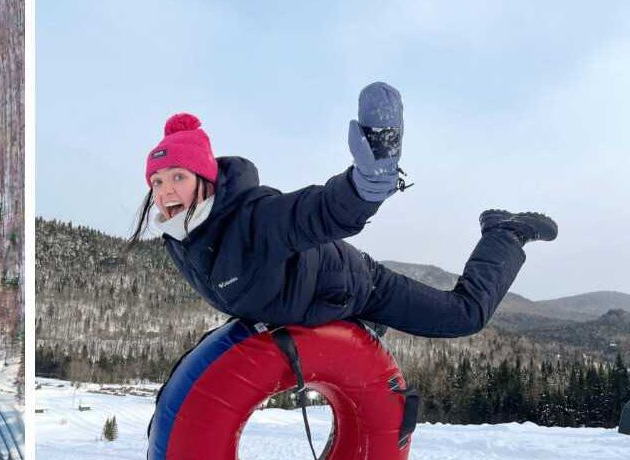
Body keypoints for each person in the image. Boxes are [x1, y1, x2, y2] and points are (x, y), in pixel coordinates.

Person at [129, 82, 557, 338]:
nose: (166, 191)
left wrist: (368, 182)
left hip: (362, 287)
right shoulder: (182, 237)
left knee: (465, 316)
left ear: (204, 178)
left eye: (178, 177)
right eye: (158, 181)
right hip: (325, 304)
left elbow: (317, 212)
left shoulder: (253, 219)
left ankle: (505, 232)